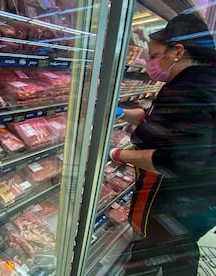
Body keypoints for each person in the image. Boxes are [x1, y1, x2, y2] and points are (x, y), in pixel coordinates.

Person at [109, 12, 216, 275]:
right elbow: (173, 126)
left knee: (167, 255)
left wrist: (119, 154)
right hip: (200, 201)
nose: (151, 63)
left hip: (175, 204)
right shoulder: (199, 79)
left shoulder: (190, 89)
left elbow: (174, 161)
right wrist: (124, 114)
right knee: (177, 249)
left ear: (178, 51)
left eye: (155, 56)